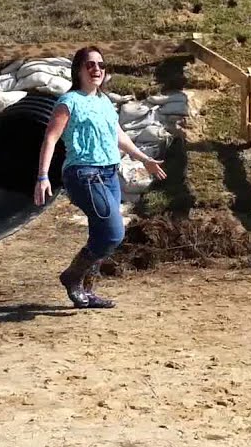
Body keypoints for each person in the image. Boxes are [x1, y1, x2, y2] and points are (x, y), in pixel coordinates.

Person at [36, 47, 166, 309]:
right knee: (113, 233)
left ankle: (87, 291)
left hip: (109, 173)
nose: (96, 69)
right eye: (90, 64)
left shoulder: (104, 101)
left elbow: (119, 136)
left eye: (101, 65)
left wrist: (144, 159)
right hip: (84, 174)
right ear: (78, 70)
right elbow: (50, 138)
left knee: (100, 233)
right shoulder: (69, 101)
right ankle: (72, 276)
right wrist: (42, 177)